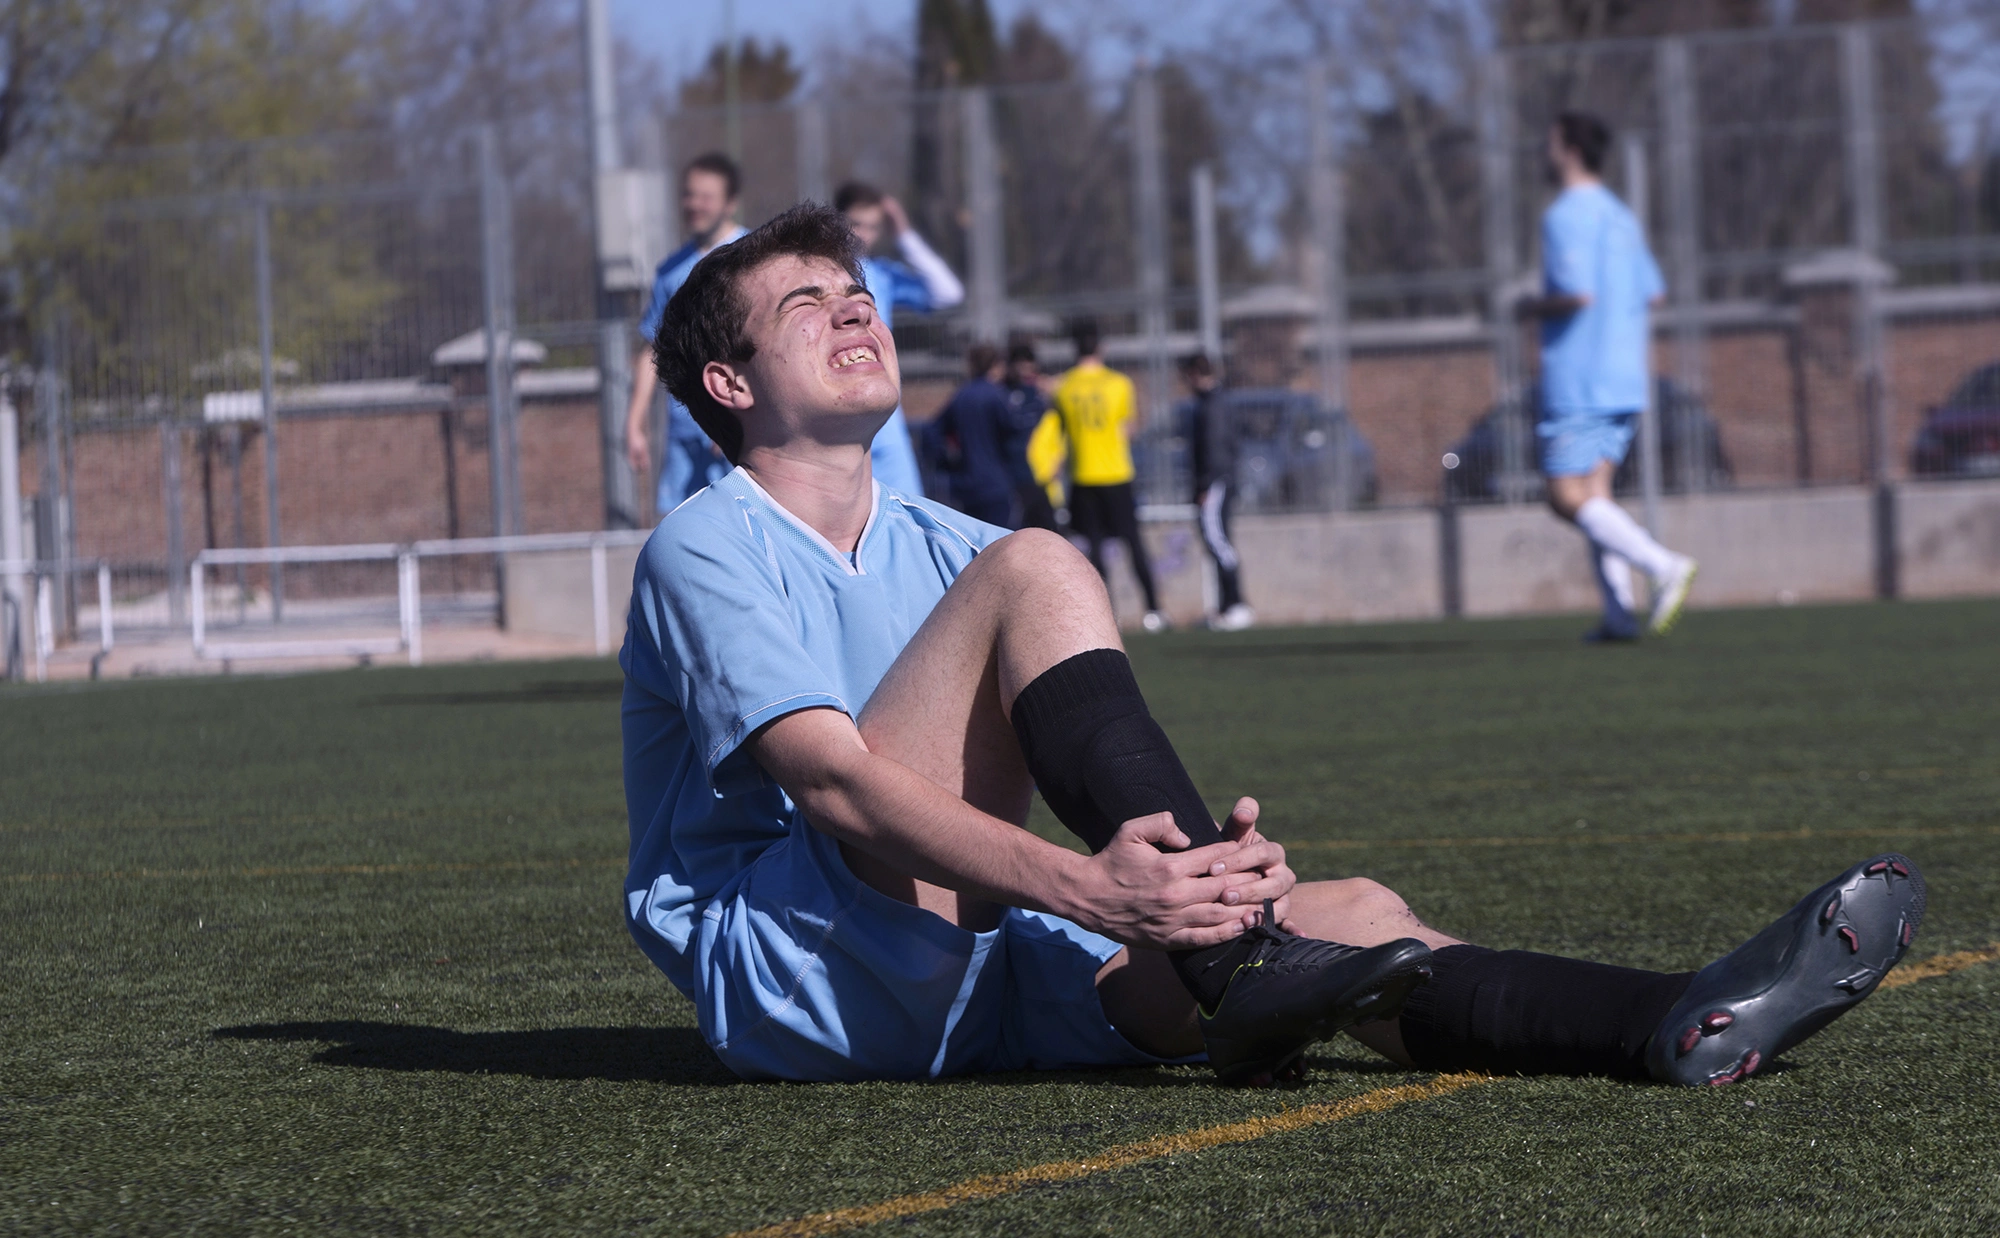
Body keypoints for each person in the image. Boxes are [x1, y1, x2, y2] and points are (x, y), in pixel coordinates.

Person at [623, 202, 1926, 1093]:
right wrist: (1098, 891)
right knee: (1041, 563)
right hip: (802, 976)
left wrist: (1199, 882)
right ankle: (1232, 953)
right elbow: (837, 783)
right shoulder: (706, 542)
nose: (857, 311)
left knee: (1354, 918)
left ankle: (1669, 1019)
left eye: (862, 293)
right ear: (728, 384)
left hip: (982, 974)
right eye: (808, 303)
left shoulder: (944, 538)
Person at [1518, 111, 1698, 643]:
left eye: (1550, 143)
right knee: (1596, 492)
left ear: (1570, 150)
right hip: (1624, 374)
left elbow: (1577, 293)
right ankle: (1618, 616)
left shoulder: (1566, 215)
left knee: (1564, 496)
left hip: (1580, 374)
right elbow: (1653, 292)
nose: (1545, 154)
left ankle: (1663, 566)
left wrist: (1528, 307)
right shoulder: (1621, 216)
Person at [624, 153, 749, 514]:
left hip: (744, 432)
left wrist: (733, 415)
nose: (694, 205)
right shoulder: (669, 271)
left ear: (730, 202)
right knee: (680, 535)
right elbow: (653, 350)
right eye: (688, 195)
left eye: (706, 197)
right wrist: (635, 423)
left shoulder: (754, 259)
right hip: (684, 435)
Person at [836, 180, 965, 497]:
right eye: (855, 224)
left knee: (908, 512)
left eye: (872, 227)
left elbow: (949, 293)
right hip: (836, 415)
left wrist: (904, 233)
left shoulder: (880, 273)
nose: (862, 235)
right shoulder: (818, 274)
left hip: (885, 419)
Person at [1048, 317, 1169, 633]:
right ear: (1100, 347)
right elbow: (1128, 428)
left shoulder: (1064, 387)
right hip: (1117, 474)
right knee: (1133, 542)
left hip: (1083, 477)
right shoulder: (1120, 383)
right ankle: (1154, 611)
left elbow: (1056, 431)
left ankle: (1105, 616)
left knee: (1095, 548)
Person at [1181, 353, 1253, 631]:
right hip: (1219, 480)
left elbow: (1214, 448)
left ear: (1194, 374)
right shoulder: (1213, 402)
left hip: (1215, 482)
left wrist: (1205, 484)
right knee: (1218, 540)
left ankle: (1236, 605)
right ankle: (1226, 607)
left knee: (1218, 541)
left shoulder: (1212, 405)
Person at [925, 344, 1017, 528]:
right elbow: (1013, 433)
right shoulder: (998, 396)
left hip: (966, 483)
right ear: (996, 365)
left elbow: (931, 431)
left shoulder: (961, 395)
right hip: (995, 483)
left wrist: (945, 462)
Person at [1001, 341, 1059, 532]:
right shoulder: (1003, 394)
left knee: (1049, 530)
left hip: (1039, 474)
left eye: (1029, 365)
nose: (1026, 371)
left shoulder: (1040, 396)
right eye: (1021, 365)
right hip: (1014, 474)